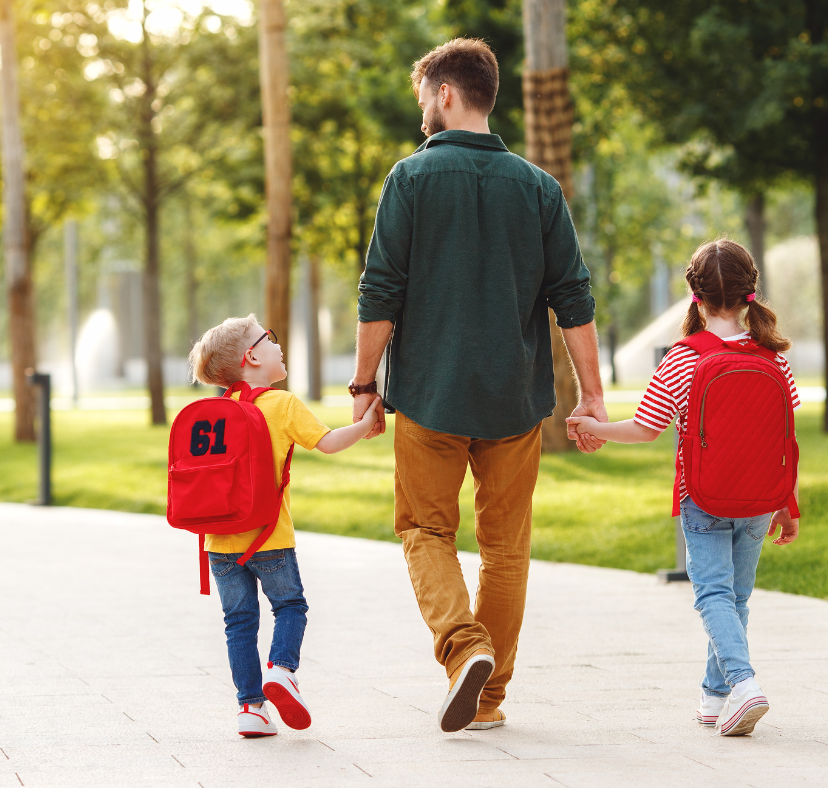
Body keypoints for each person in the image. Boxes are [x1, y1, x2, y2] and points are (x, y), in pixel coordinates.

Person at [350, 38, 607, 733]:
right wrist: (593, 395)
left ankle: (465, 648)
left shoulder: (409, 178)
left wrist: (363, 382)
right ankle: (488, 699)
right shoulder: (538, 186)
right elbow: (573, 296)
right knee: (505, 551)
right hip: (513, 401)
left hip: (430, 397)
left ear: (445, 94)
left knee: (424, 529)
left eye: (423, 98)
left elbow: (381, 291)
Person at [568, 239, 801, 737]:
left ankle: (742, 683)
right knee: (735, 596)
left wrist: (591, 428)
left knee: (713, 593)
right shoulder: (773, 356)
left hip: (705, 497)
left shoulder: (684, 358)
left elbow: (645, 429)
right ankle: (715, 697)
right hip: (761, 498)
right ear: (750, 293)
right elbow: (784, 438)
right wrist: (787, 503)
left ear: (694, 295)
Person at [189, 314, 381, 738]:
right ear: (252, 356)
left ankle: (250, 708)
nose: (278, 344)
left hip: (218, 544)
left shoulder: (213, 412)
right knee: (290, 607)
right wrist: (368, 422)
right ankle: (282, 669)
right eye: (270, 338)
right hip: (268, 536)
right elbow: (329, 442)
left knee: (238, 623)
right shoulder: (282, 404)